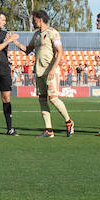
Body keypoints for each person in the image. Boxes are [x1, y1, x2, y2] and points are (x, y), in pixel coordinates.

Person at [27, 10, 74, 138]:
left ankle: (69, 122)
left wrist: (53, 69)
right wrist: (13, 41)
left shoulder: (52, 32)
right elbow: (27, 49)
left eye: (34, 19)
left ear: (40, 19)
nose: (32, 21)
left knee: (53, 98)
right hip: (39, 72)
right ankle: (49, 130)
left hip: (50, 72)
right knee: (42, 100)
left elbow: (59, 51)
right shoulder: (36, 35)